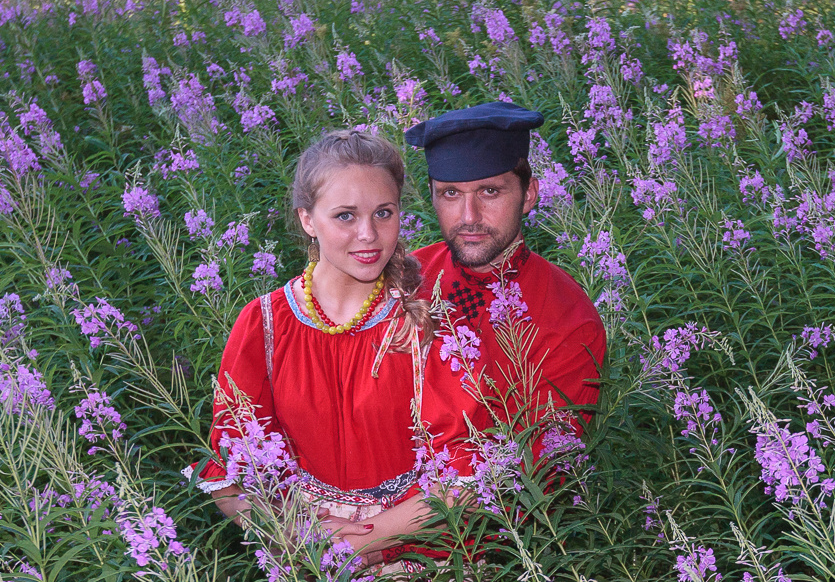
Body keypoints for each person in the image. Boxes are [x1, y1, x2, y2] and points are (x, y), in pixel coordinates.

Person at [195, 128, 473, 558]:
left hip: (420, 554)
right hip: (307, 558)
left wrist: (364, 539)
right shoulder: (264, 324)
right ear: (308, 219)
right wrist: (294, 535)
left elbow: (466, 476)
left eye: (384, 213)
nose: (368, 234)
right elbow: (228, 476)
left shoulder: (427, 322)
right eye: (345, 216)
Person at [404, 102, 606, 452]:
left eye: (490, 191)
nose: (469, 216)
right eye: (451, 193)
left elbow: (541, 465)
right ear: (433, 197)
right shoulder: (406, 279)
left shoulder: (570, 322)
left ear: (529, 195)